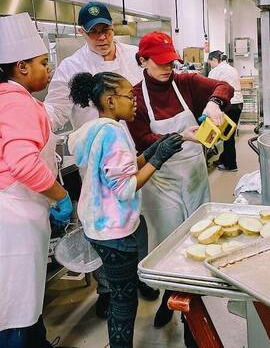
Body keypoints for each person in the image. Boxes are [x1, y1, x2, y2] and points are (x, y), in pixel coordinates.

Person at [0, 13, 74, 348]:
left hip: (5, 211)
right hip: (2, 217)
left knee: (25, 298)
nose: (48, 68)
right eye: (43, 62)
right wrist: (60, 196)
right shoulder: (15, 103)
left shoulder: (12, 99)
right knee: (13, 306)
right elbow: (24, 165)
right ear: (22, 66)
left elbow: (4, 152)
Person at [44, 2, 157, 318]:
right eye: (93, 32)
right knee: (103, 226)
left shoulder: (133, 57)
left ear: (113, 28)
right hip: (96, 163)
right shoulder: (71, 67)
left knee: (138, 218)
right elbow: (54, 111)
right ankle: (107, 288)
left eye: (105, 29)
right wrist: (28, 119)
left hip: (135, 151)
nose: (101, 37)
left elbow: (153, 91)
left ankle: (140, 275)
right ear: (82, 33)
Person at [67, 71, 183, 348]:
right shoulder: (114, 134)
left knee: (121, 293)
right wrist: (160, 160)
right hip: (114, 230)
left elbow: (124, 167)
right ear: (110, 100)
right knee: (123, 299)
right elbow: (126, 188)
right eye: (130, 97)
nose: (135, 103)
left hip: (97, 225)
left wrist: (153, 150)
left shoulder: (97, 129)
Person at [127, 31, 234, 330]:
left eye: (170, 61)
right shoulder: (136, 97)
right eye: (159, 62)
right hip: (161, 182)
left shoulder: (185, 83)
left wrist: (214, 104)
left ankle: (192, 304)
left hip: (195, 175)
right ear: (142, 60)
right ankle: (170, 300)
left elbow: (225, 86)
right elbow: (142, 139)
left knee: (200, 236)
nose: (167, 67)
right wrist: (176, 137)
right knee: (170, 243)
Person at [207, 50, 244, 171]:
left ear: (214, 60)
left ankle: (231, 165)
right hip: (238, 103)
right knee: (228, 133)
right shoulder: (231, 69)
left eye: (210, 62)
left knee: (227, 135)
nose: (210, 65)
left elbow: (208, 87)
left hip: (228, 104)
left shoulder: (215, 71)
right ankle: (224, 159)